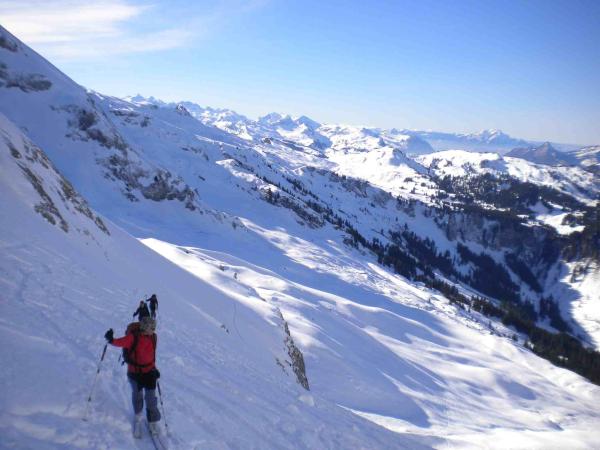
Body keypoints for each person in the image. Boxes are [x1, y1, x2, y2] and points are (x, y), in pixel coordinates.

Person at [104, 317, 162, 437]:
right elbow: (120, 342)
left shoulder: (153, 337)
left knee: (151, 398)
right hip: (135, 373)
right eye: (152, 328)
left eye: (154, 327)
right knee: (137, 396)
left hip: (149, 372)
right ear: (145, 328)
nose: (154, 330)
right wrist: (111, 339)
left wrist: (154, 368)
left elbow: (151, 355)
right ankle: (138, 418)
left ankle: (152, 421)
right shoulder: (133, 337)